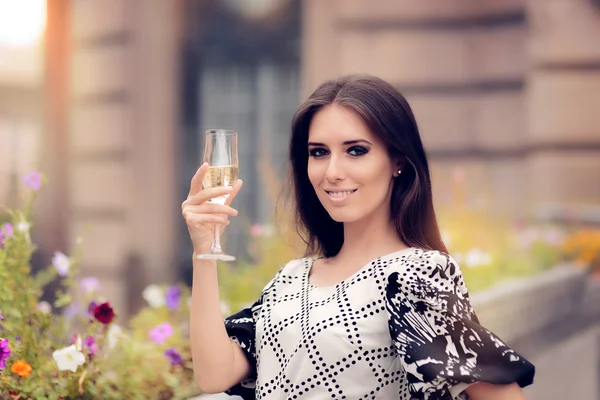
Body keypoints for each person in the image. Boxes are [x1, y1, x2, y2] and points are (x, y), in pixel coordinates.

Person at [182, 75, 535, 400]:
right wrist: (204, 251)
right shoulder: (290, 279)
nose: (333, 172)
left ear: (398, 161)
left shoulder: (417, 275)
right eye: (319, 152)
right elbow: (215, 375)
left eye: (356, 150)